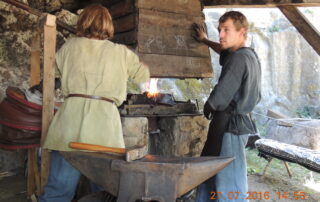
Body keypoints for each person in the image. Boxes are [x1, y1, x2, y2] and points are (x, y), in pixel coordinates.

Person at [39, 4, 150, 202]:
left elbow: (51, 73)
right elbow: (144, 76)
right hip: (104, 129)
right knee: (105, 191)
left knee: (58, 191)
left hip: (69, 125)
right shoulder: (121, 52)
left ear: (83, 22)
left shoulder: (69, 47)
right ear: (109, 25)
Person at [192, 11, 261, 202]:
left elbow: (221, 96)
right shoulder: (249, 55)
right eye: (219, 30)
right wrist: (205, 40)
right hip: (238, 124)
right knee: (215, 174)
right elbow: (223, 50)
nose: (221, 35)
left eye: (226, 30)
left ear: (242, 32)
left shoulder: (239, 59)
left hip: (229, 126)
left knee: (230, 183)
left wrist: (210, 104)